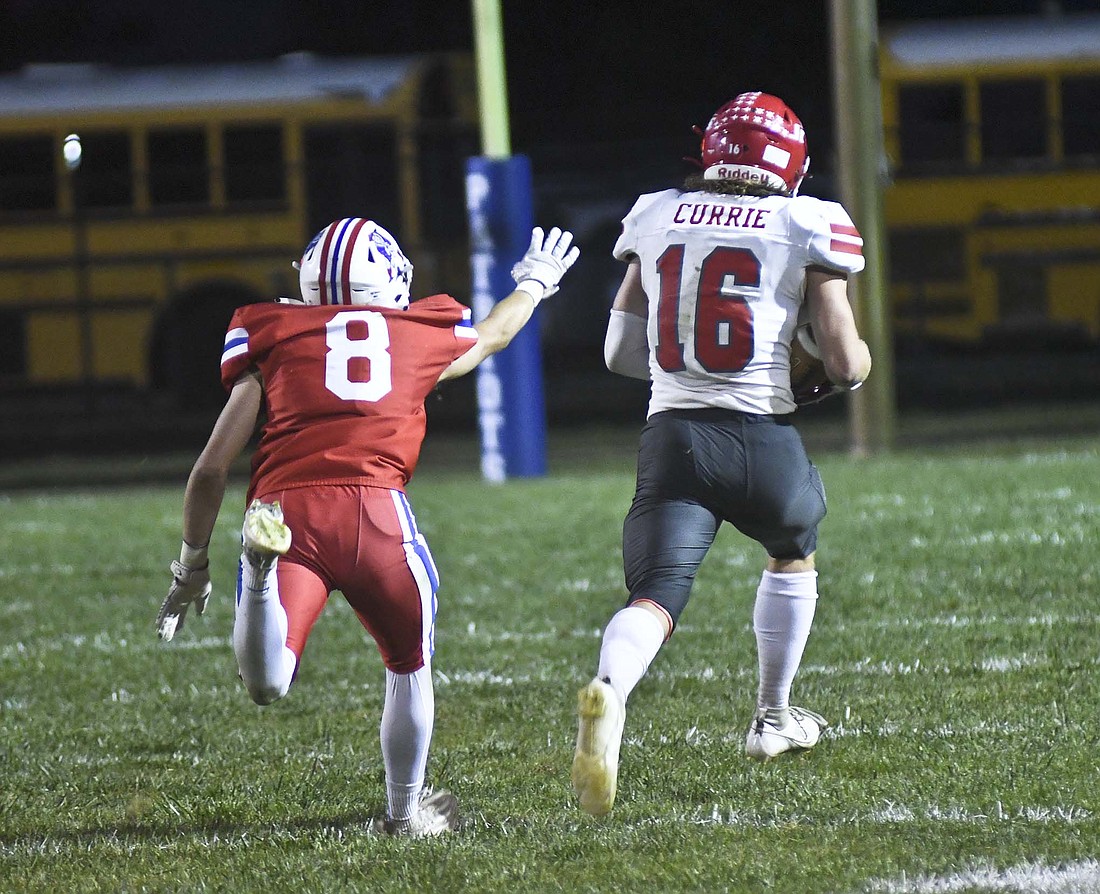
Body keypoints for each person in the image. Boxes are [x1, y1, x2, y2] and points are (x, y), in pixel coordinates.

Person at [155, 218, 579, 836]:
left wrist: (192, 564)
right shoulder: (413, 337)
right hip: (378, 517)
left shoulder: (270, 337)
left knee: (267, 683)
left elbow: (209, 469)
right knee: (409, 664)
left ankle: (257, 566)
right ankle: (404, 814)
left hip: (285, 513)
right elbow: (492, 336)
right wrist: (535, 283)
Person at [571, 91, 872, 817]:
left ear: (710, 151)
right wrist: (824, 366)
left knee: (655, 595)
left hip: (672, 439)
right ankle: (773, 718)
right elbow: (845, 361)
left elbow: (618, 352)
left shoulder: (657, 212)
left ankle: (609, 691)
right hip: (761, 437)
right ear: (790, 165)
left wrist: (692, 374)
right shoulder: (810, 220)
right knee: (792, 545)